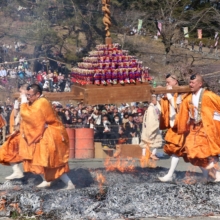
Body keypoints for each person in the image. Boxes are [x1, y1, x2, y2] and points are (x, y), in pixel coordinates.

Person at [19, 84, 75, 189]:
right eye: (27, 95)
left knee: (50, 160)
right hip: (44, 134)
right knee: (38, 159)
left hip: (50, 135)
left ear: (38, 94)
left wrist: (23, 101)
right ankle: (46, 180)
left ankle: (69, 183)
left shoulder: (42, 102)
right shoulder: (36, 102)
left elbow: (29, 116)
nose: (28, 97)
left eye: (29, 95)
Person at [178, 74, 220, 182]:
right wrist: (182, 128)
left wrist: (216, 119)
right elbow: (183, 113)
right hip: (195, 128)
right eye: (190, 82)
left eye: (193, 83)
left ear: (200, 84)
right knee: (191, 152)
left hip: (208, 127)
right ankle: (208, 173)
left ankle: (214, 174)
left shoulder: (209, 95)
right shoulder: (188, 98)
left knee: (207, 151)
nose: (190, 84)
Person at [158, 74, 189, 182]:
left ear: (175, 81)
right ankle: (211, 174)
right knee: (189, 153)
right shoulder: (169, 94)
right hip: (174, 126)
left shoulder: (182, 93)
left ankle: (170, 174)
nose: (167, 84)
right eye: (166, 82)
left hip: (182, 126)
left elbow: (178, 107)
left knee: (190, 153)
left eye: (168, 82)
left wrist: (169, 95)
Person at [0, 94, 25, 180]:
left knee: (7, 151)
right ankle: (17, 171)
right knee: (11, 153)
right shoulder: (20, 109)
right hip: (17, 134)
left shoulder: (26, 108)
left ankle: (48, 178)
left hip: (21, 135)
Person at [140, 96, 162, 160]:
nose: (156, 101)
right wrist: (153, 127)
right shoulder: (150, 108)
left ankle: (151, 154)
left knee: (154, 141)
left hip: (151, 127)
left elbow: (159, 111)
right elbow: (151, 119)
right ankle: (146, 155)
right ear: (152, 100)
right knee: (146, 141)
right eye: (155, 100)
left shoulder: (153, 107)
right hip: (151, 127)